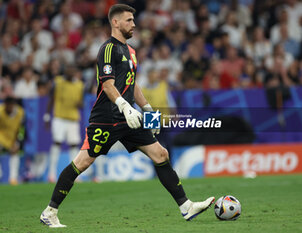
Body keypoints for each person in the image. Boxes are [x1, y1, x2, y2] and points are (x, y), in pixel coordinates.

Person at [40, 4, 214, 228]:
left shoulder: (131, 52)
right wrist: (124, 105)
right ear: (116, 22)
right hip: (106, 117)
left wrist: (147, 108)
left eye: (133, 20)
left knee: (160, 154)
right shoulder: (107, 49)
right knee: (82, 162)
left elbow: (132, 84)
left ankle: (186, 207)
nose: (134, 24)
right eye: (129, 20)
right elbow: (108, 84)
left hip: (128, 117)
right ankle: (50, 212)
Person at [44, 66, 84, 183]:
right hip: (59, 118)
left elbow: (81, 103)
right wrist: (47, 116)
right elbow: (51, 99)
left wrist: (79, 103)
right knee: (57, 143)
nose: (71, 73)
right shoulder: (57, 82)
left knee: (73, 145)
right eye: (69, 71)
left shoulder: (79, 85)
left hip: (73, 119)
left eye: (73, 71)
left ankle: (75, 175)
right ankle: (51, 174)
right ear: (65, 71)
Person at [0, 96, 25, 185]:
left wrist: (18, 142)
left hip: (12, 138)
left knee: (15, 153)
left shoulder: (20, 112)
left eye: (12, 105)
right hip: (1, 137)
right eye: (8, 106)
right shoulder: (0, 111)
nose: (10, 108)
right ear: (5, 105)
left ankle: (13, 178)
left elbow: (22, 129)